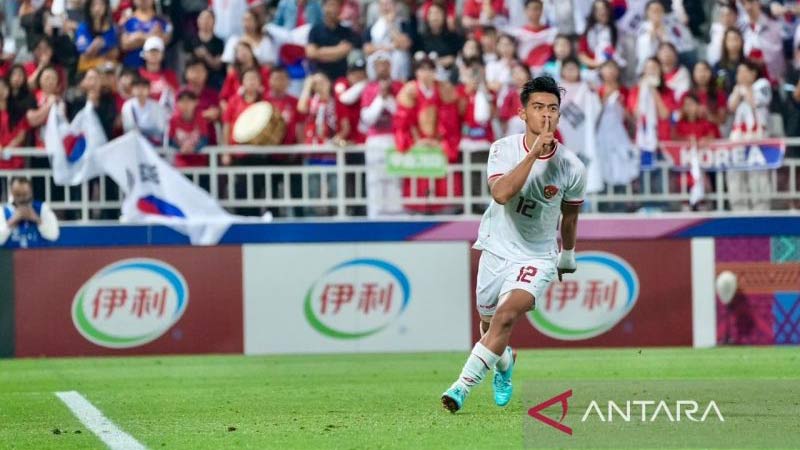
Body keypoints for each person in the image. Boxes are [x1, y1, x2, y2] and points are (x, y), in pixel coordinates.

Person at [441, 76, 586, 413]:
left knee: (506, 317)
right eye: (538, 108)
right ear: (523, 114)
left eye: (552, 109)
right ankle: (505, 362)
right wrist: (534, 154)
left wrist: (568, 253)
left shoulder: (572, 167)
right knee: (489, 326)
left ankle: (460, 387)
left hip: (537, 256)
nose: (546, 115)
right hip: (497, 246)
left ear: (559, 116)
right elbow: (502, 194)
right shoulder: (501, 150)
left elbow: (569, 216)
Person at [0, 176, 60, 248]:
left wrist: (37, 219)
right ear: (12, 193)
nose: (22, 198)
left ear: (31, 192)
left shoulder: (42, 208)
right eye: (18, 195)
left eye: (25, 194)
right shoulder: (3, 211)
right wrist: (12, 221)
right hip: (10, 257)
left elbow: (53, 235)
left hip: (39, 256)